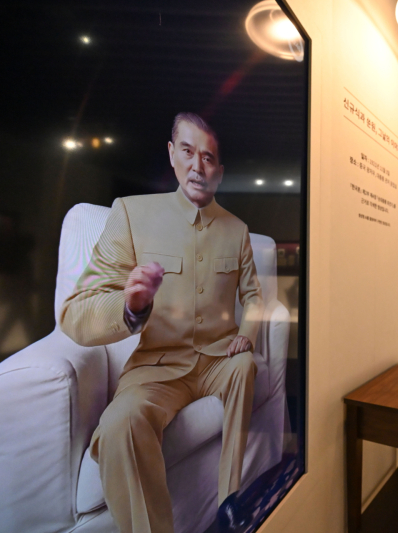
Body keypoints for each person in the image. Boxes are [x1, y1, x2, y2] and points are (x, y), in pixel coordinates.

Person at [60, 112, 264, 533]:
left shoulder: (238, 230)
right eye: (188, 151)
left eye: (208, 158)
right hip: (157, 367)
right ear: (172, 154)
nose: (198, 166)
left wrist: (246, 334)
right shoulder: (131, 214)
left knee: (245, 366)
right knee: (119, 424)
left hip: (219, 360)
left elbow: (254, 297)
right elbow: (76, 311)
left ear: (219, 171)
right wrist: (130, 306)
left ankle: (231, 500)